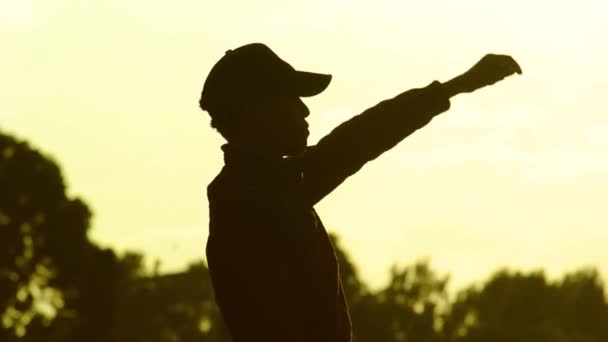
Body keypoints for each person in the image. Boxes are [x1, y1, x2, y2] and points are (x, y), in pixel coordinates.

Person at [199, 43, 522, 341]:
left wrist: (455, 87)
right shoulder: (252, 196)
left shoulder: (265, 187)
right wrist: (457, 85)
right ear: (256, 112)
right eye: (290, 99)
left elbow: (352, 143)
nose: (304, 111)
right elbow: (354, 142)